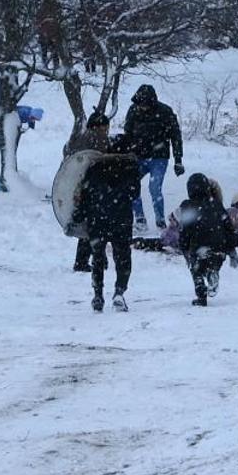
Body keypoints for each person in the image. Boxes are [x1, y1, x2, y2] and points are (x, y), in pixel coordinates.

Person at [73, 136, 140, 312]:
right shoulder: (130, 168)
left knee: (97, 257)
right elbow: (134, 193)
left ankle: (98, 295)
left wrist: (79, 214)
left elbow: (84, 192)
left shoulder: (95, 166)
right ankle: (119, 292)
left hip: (97, 219)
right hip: (121, 219)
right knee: (123, 257)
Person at [123, 85, 184, 230]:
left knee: (154, 188)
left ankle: (160, 221)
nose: (142, 107)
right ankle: (140, 219)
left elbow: (175, 136)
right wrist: (126, 154)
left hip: (159, 157)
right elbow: (128, 134)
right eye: (140, 104)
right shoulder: (133, 111)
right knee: (131, 185)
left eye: (144, 104)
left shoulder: (165, 112)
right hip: (138, 156)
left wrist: (178, 160)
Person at [177, 173, 238, 307]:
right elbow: (228, 228)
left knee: (196, 268)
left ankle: (201, 292)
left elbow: (185, 229)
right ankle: (213, 272)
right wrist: (232, 249)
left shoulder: (187, 206)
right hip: (219, 247)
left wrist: (183, 245)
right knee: (214, 263)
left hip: (199, 247)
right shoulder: (216, 204)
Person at [64, 112, 112, 272]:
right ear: (99, 126)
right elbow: (104, 160)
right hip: (95, 188)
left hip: (78, 188)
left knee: (88, 225)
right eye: (105, 127)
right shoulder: (100, 139)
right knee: (96, 225)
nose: (106, 130)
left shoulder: (79, 138)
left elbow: (68, 156)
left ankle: (93, 259)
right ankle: (87, 260)